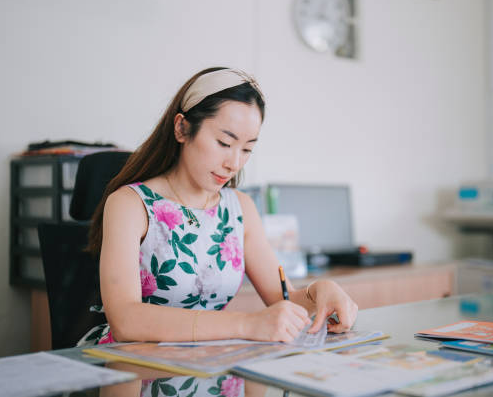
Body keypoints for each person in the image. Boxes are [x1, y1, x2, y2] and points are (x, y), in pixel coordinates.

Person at [79, 67, 358, 345]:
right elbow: (126, 321)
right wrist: (246, 323)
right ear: (182, 128)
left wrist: (320, 292)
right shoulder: (130, 204)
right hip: (134, 368)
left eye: (247, 149)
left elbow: (284, 299)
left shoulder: (240, 208)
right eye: (224, 143)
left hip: (210, 368)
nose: (234, 163)